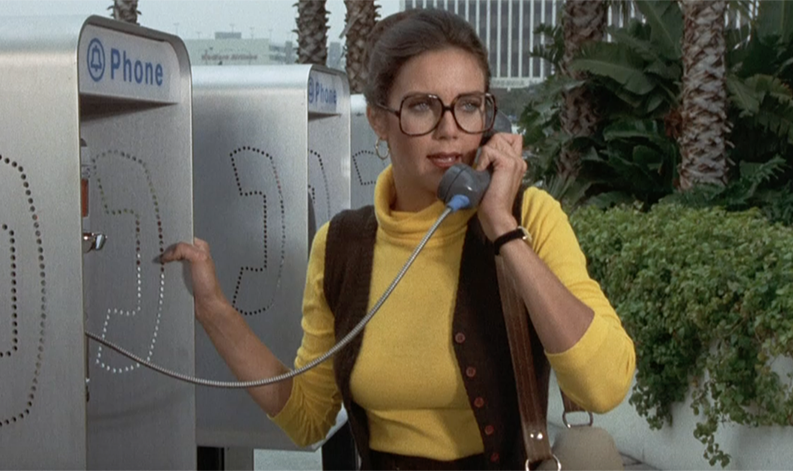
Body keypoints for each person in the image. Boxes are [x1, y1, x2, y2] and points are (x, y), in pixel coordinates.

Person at [162, 9, 635, 470]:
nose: (450, 130)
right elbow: (307, 417)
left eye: (469, 106)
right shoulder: (342, 246)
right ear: (378, 119)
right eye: (422, 106)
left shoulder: (528, 218)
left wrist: (503, 230)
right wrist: (214, 309)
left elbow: (604, 387)